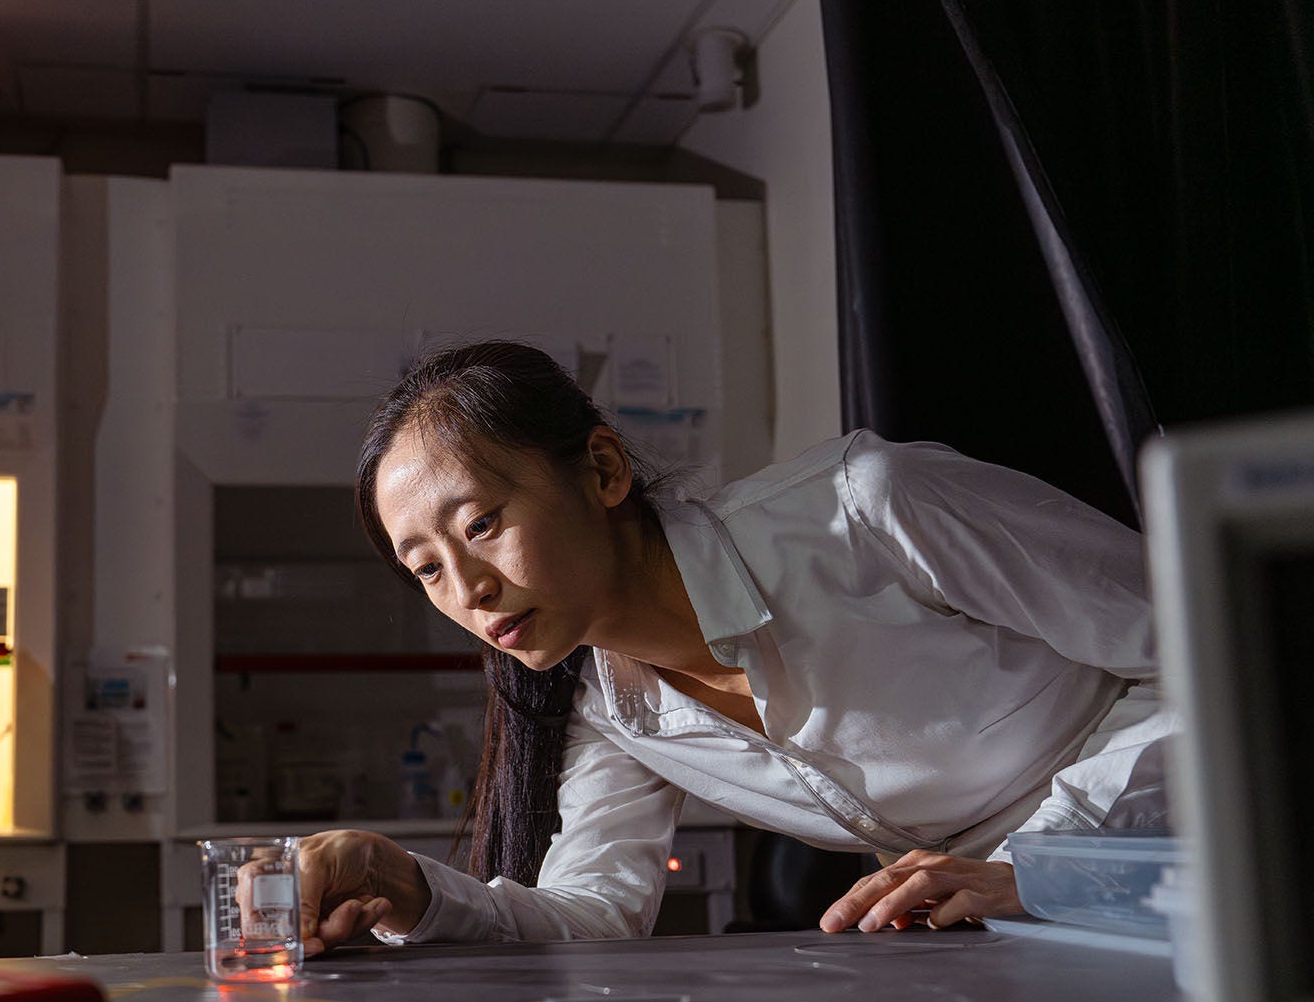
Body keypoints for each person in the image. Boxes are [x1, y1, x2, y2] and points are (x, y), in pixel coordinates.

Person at [297, 341, 1172, 954]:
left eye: (482, 524)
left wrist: (1047, 863)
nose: (468, 589)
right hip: (1010, 940)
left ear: (604, 470)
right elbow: (597, 914)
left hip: (1198, 870)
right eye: (426, 570)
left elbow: (1215, 656)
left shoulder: (871, 509)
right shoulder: (608, 702)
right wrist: (405, 886)